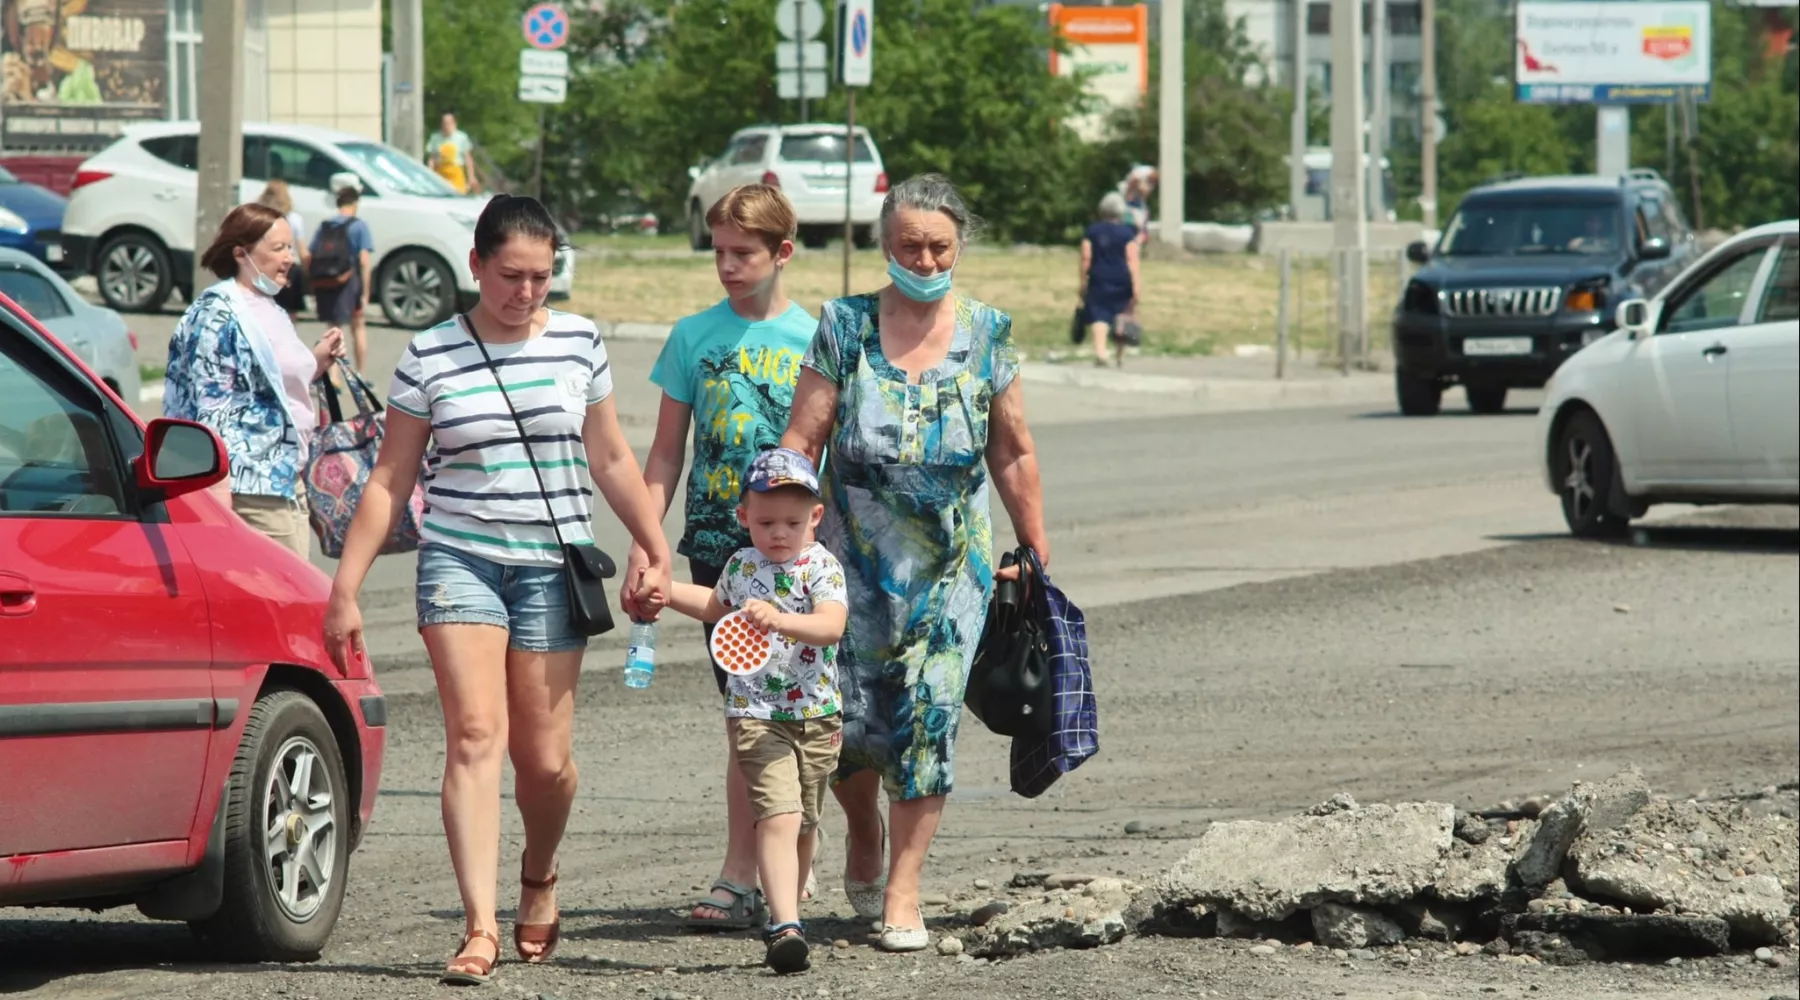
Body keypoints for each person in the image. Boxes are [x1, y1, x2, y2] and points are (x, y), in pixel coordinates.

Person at [321, 195, 673, 986]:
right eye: (510, 275)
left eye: (542, 277)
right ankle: (478, 924)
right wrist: (345, 587)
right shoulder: (431, 354)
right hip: (460, 560)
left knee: (544, 762)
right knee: (476, 737)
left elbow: (612, 458)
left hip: (553, 565)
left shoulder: (580, 342)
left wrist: (654, 545)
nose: (525, 292)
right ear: (475, 265)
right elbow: (389, 478)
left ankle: (539, 871)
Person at [779, 173, 1050, 952]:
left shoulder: (989, 333)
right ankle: (861, 828)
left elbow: (1014, 450)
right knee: (853, 727)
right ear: (884, 245)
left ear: (959, 245)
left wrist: (1033, 550)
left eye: (938, 247)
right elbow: (804, 437)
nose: (924, 261)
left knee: (926, 719)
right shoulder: (844, 325)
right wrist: (777, 533)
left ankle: (904, 888)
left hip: (948, 571)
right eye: (908, 247)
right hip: (849, 567)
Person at [619, 183, 824, 932]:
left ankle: (793, 856)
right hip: (718, 552)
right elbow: (665, 455)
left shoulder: (816, 337)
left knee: (807, 712)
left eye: (744, 253)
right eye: (719, 251)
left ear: (783, 253)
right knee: (749, 714)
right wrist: (647, 544)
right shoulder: (691, 337)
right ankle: (745, 872)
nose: (729, 266)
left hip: (800, 557)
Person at [660, 447, 848, 975]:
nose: (779, 534)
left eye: (792, 522)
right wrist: (665, 591)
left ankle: (787, 889)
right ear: (744, 518)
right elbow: (715, 608)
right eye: (765, 522)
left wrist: (779, 620)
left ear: (815, 517)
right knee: (777, 814)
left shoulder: (822, 567)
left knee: (806, 822)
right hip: (755, 711)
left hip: (815, 715)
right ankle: (785, 926)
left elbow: (831, 626)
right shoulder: (741, 566)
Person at [163, 203, 346, 558]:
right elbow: (211, 410)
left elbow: (267, 384)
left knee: (293, 602)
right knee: (285, 604)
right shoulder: (218, 313)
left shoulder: (268, 306)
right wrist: (217, 508)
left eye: (290, 247)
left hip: (284, 482)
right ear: (240, 253)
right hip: (251, 490)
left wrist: (316, 360)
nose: (289, 258)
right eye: (278, 248)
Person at [311, 182, 375, 371]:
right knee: (358, 326)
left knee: (333, 328)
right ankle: (360, 373)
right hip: (350, 283)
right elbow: (364, 260)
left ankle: (333, 376)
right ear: (355, 203)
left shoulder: (325, 226)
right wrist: (365, 292)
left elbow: (311, 254)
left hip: (328, 282)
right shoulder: (359, 226)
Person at [1079, 191, 1142, 368]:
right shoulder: (1127, 233)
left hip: (1099, 278)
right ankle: (1120, 355)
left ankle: (1100, 353)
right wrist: (1136, 285)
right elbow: (1133, 260)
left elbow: (1086, 258)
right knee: (1122, 315)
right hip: (1122, 278)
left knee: (1099, 315)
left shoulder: (1092, 231)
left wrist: (1083, 281)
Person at [255, 179, 310, 317]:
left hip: (265, 267)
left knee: (264, 308)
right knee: (290, 313)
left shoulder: (259, 218)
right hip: (288, 269)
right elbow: (303, 252)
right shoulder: (295, 219)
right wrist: (308, 274)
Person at [429, 112, 478, 194]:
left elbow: (468, 159)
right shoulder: (435, 138)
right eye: (444, 123)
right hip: (440, 174)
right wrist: (429, 174)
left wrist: (471, 177)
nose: (446, 126)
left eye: (448, 123)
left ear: (454, 123)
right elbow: (432, 159)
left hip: (456, 174)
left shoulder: (462, 137)